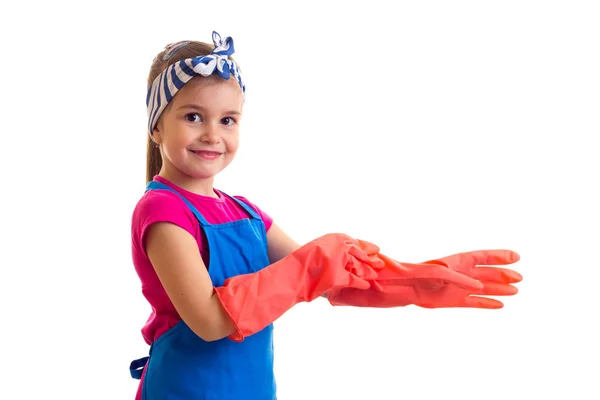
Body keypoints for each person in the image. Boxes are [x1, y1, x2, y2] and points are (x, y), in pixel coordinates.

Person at [128, 31, 523, 400]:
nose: (213, 134)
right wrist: (311, 264)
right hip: (184, 390)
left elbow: (328, 280)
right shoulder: (164, 210)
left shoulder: (244, 211)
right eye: (193, 117)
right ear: (157, 127)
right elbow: (210, 320)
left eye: (228, 119)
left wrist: (415, 280)